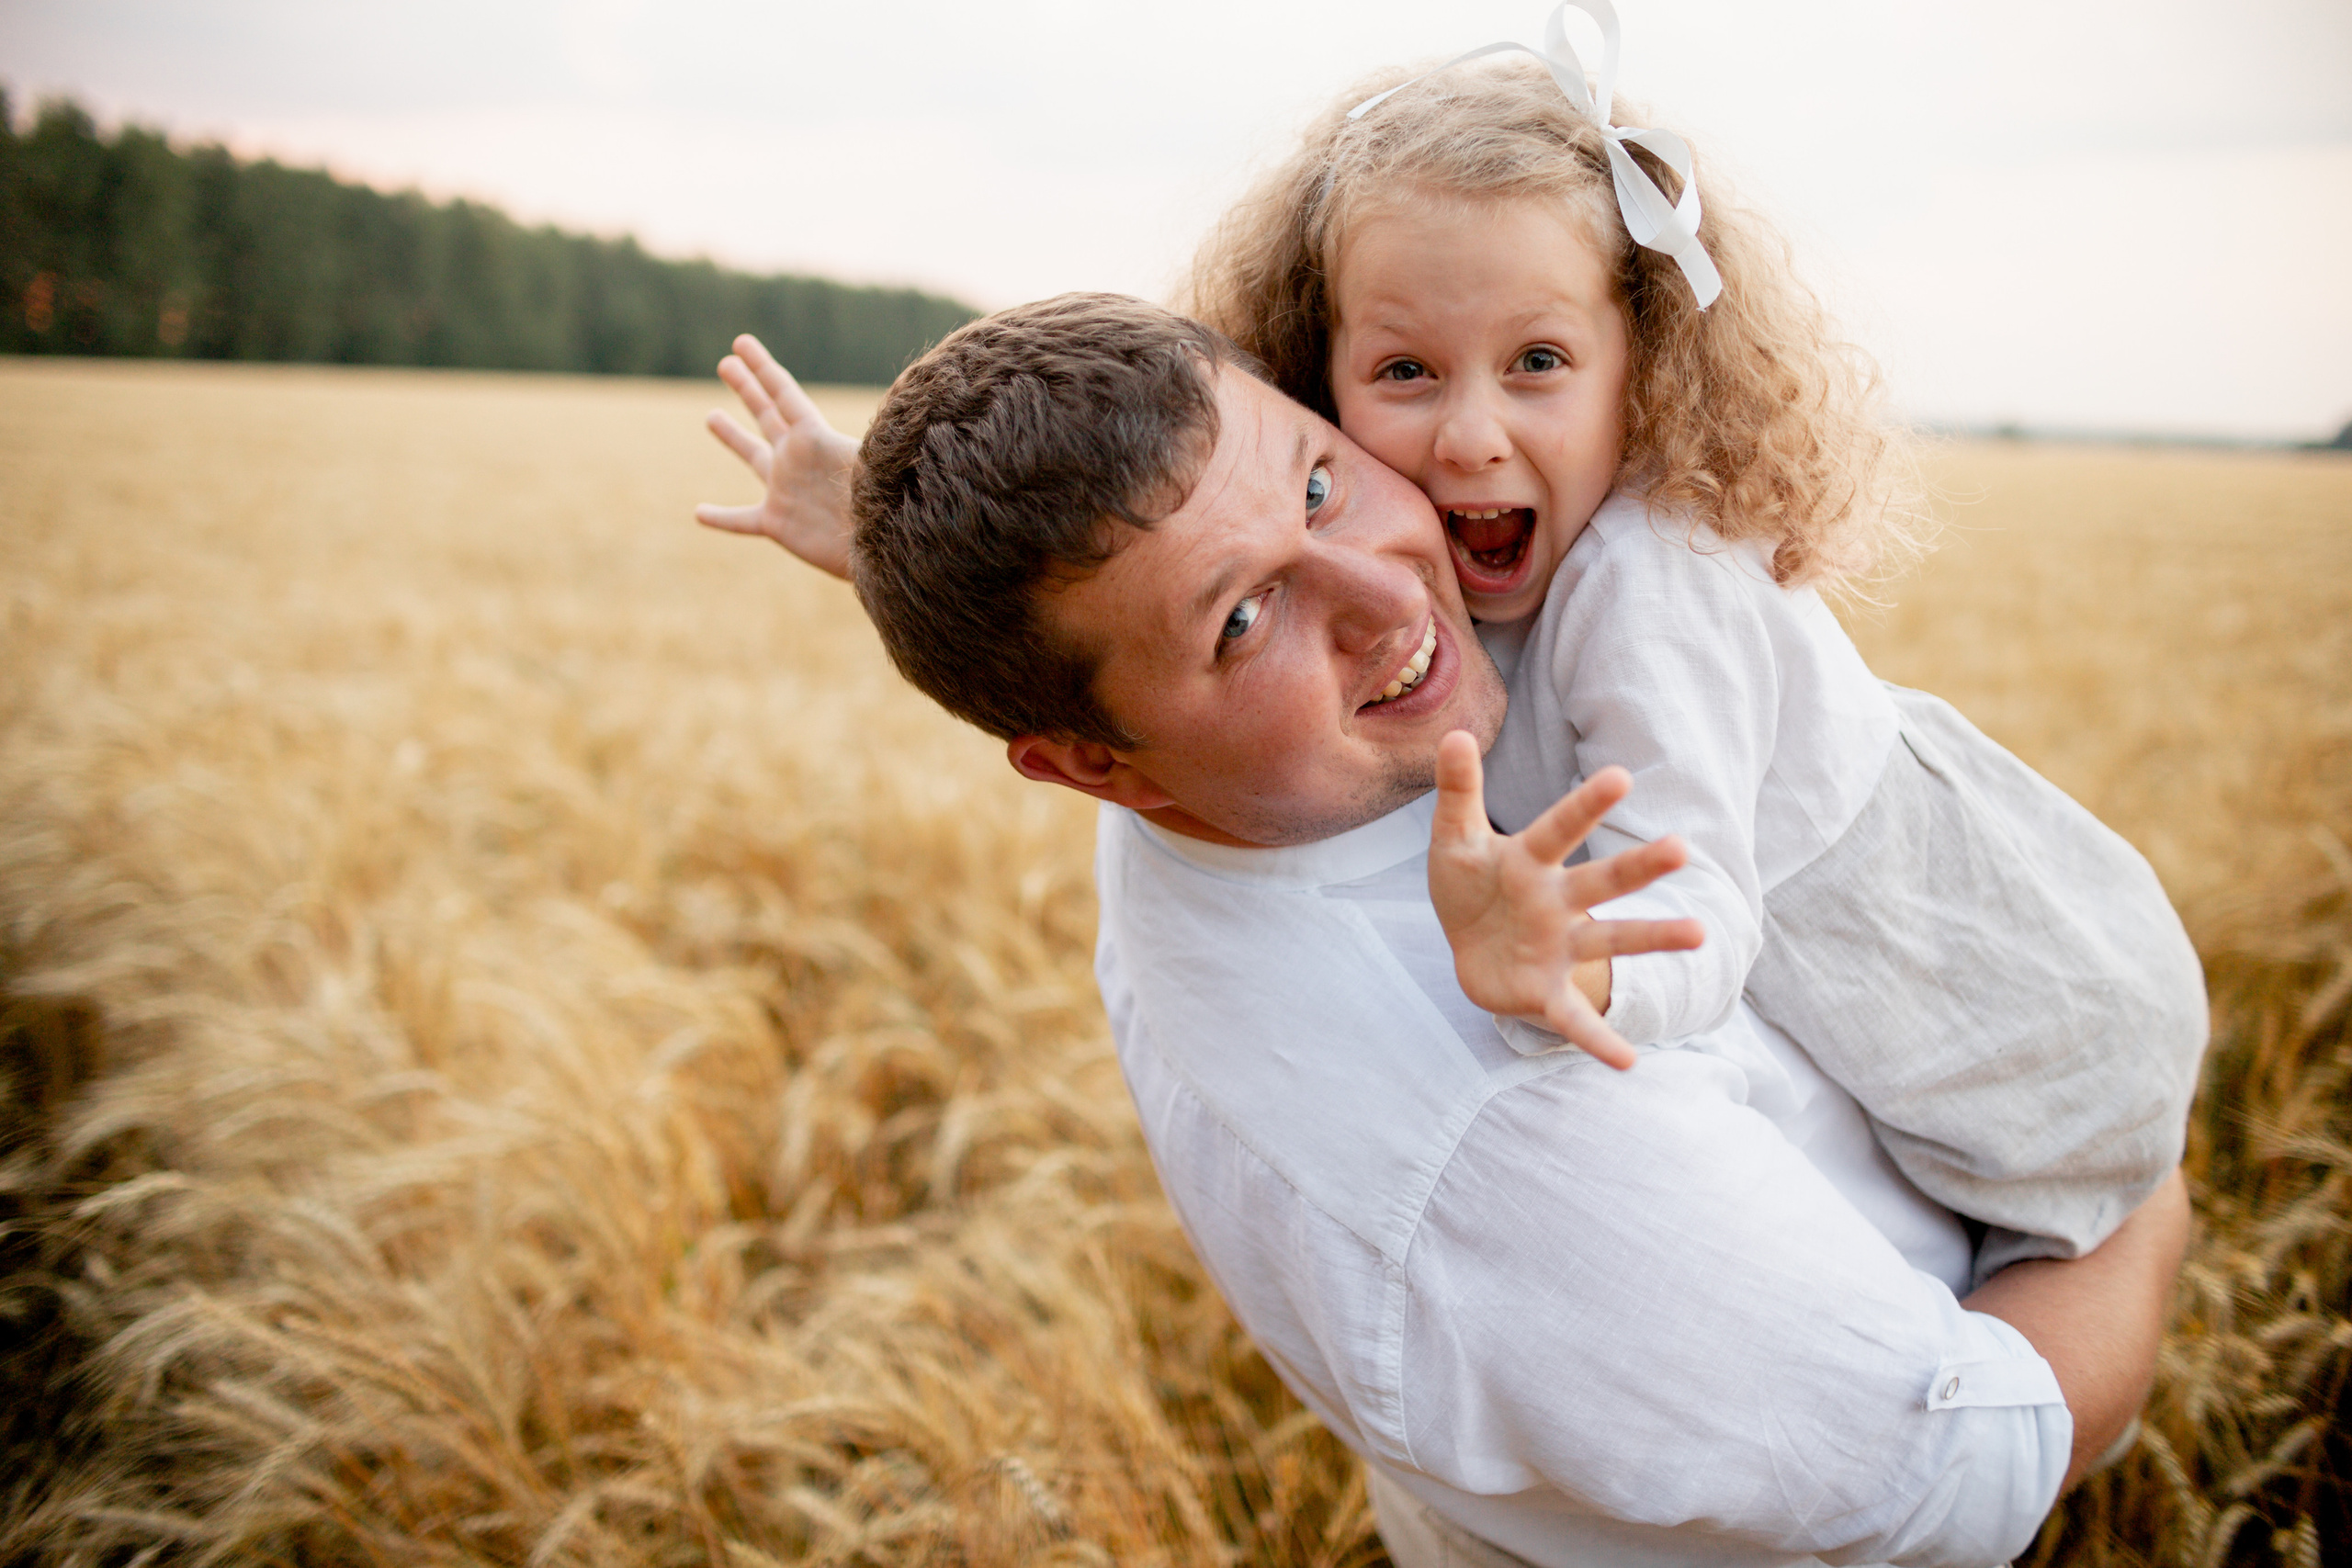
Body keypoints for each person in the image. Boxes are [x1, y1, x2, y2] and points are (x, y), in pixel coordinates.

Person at [692, 294, 2188, 1565]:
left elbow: (1131, 557)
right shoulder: (1504, 1122)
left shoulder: (1217, 777)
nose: (1387, 595)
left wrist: (878, 532)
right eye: (1243, 620)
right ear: (1092, 761)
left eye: (1322, 485)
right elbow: (1964, 1466)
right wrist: (2139, 1180)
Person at [1172, 4, 2207, 1286]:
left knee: (2045, 1279)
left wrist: (1571, 967)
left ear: (1640, 363)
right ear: (1316, 377)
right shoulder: (1459, 560)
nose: (1473, 434)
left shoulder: (1648, 589)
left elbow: (1695, 898)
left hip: (2023, 1024)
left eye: (1538, 360)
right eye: (1407, 371)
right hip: (1889, 1013)